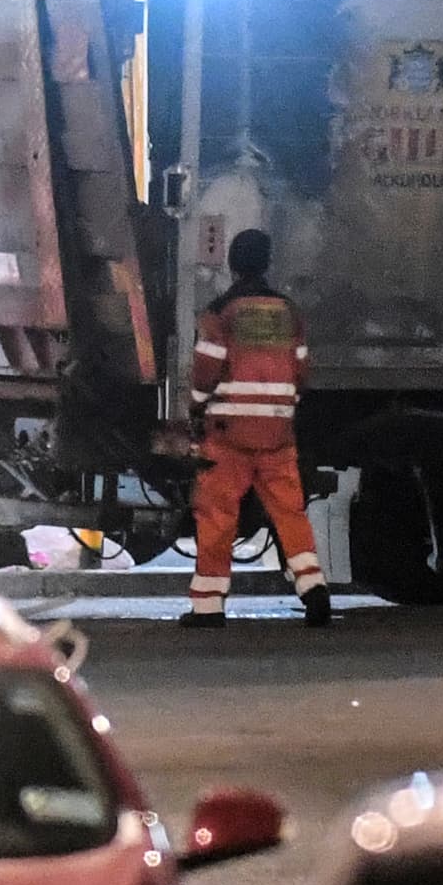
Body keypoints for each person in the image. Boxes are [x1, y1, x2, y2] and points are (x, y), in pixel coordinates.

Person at [188, 229, 333, 627]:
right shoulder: (289, 313)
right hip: (278, 433)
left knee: (218, 514)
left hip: (228, 432)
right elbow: (302, 368)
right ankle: (313, 589)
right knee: (290, 512)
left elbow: (206, 368)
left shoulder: (221, 312)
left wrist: (196, 405)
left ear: (233, 264)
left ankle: (208, 606)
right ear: (267, 263)